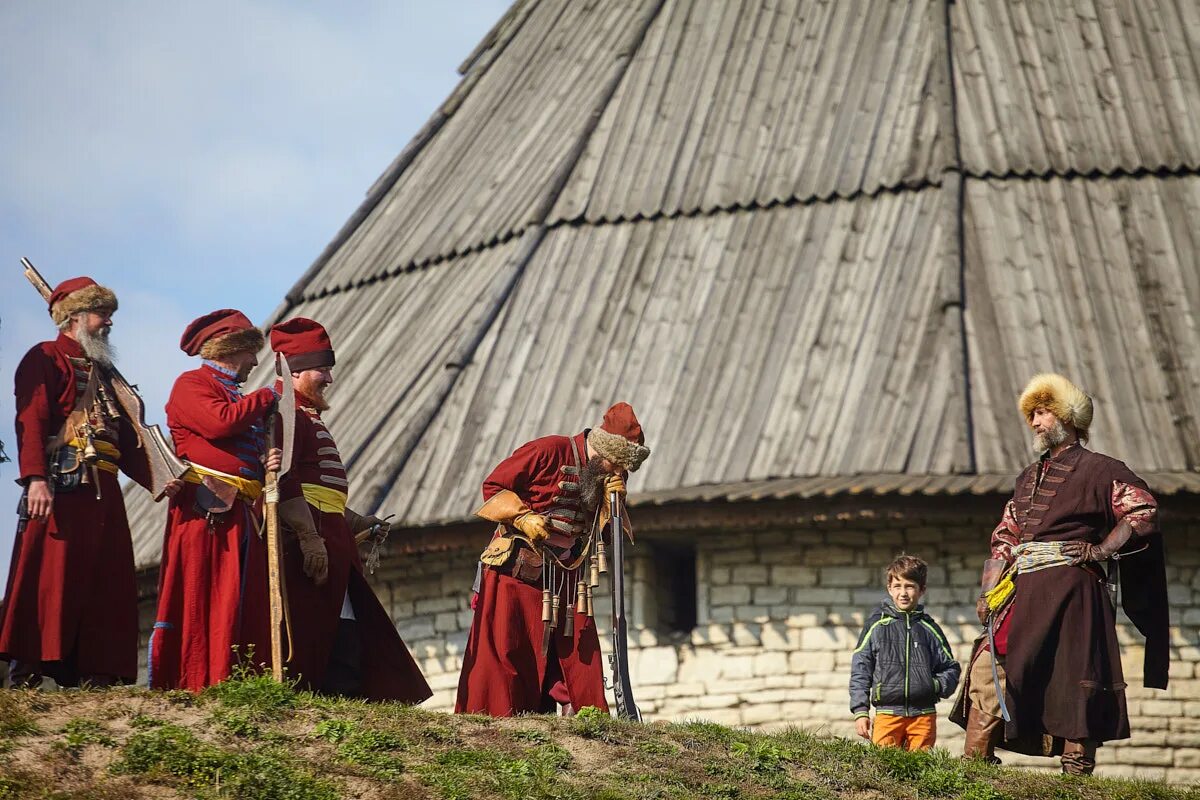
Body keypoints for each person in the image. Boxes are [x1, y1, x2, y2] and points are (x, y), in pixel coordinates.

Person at [951, 373, 1168, 775]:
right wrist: (989, 591)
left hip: (1074, 591)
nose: (1034, 422)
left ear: (1068, 417)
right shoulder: (1026, 478)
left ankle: (1075, 777)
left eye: (1043, 412)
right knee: (989, 662)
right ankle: (974, 769)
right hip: (1022, 585)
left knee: (1075, 676)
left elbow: (1143, 511)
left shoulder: (1103, 470)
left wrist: (1101, 549)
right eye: (1031, 414)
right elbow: (1005, 535)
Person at [1, 277, 180, 688]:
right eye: (103, 315)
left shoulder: (105, 373)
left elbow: (128, 441)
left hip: (104, 490)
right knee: (47, 578)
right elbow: (30, 423)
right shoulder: (43, 357)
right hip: (61, 485)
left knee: (107, 581)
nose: (109, 324)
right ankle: (27, 668)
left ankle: (97, 673)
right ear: (75, 318)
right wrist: (35, 480)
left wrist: (162, 479)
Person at [270, 317, 431, 702]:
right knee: (317, 626)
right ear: (295, 371)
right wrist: (309, 536)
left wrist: (356, 521)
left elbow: (322, 494)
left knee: (345, 622)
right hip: (305, 539)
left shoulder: (306, 416)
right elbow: (286, 483)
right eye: (321, 370)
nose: (328, 378)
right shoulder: (284, 414)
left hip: (331, 535)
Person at [455, 402, 650, 717]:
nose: (619, 472)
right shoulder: (547, 450)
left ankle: (585, 725)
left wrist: (613, 504)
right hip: (517, 573)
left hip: (569, 581)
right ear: (600, 450)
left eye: (623, 468)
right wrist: (523, 518)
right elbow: (493, 487)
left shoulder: (610, 474)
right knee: (507, 659)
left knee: (579, 664)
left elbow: (607, 535)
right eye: (615, 464)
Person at [148, 309, 278, 691]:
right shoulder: (191, 384)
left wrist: (262, 461)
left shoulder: (235, 394)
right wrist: (266, 397)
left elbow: (237, 440)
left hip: (239, 507)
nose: (256, 362)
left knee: (236, 596)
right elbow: (219, 422)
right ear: (232, 349)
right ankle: (198, 679)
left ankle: (235, 678)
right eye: (250, 352)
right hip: (205, 507)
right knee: (205, 595)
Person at [850, 554, 960, 750]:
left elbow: (950, 667)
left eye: (910, 586)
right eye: (898, 586)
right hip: (887, 715)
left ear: (922, 590)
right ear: (889, 589)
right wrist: (861, 711)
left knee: (921, 772)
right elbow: (861, 669)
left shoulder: (930, 629)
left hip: (924, 716)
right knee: (884, 773)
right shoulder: (877, 626)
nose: (903, 593)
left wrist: (933, 685)